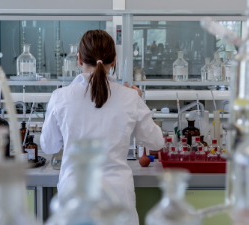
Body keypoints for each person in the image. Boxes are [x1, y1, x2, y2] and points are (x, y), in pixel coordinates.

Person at [40, 30, 164, 225]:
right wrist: (140, 100)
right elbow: (156, 142)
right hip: (117, 199)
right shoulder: (130, 97)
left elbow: (49, 147)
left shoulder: (60, 97)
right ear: (113, 60)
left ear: (79, 59)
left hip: (74, 199)